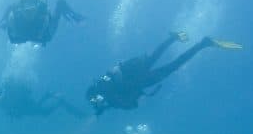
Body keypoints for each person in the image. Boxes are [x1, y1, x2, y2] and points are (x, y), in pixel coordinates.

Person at [86, 32, 241, 115]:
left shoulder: (109, 96)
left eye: (95, 101)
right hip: (135, 67)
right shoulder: (102, 85)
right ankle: (173, 38)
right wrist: (105, 107)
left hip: (141, 80)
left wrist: (107, 107)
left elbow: (129, 104)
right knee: (155, 56)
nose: (97, 102)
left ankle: (203, 44)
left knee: (174, 65)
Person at [0, 0, 84, 45]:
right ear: (21, 8)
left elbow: (49, 18)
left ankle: (76, 18)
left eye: (32, 8)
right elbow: (10, 11)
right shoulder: (15, 14)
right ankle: (76, 18)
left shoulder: (42, 13)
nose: (29, 12)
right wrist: (5, 21)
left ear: (37, 7)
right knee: (9, 20)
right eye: (26, 9)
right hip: (36, 36)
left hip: (45, 35)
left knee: (60, 3)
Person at [0, 78, 86, 118]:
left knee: (44, 112)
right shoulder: (3, 101)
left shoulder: (6, 99)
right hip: (25, 107)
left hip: (26, 105)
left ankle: (58, 101)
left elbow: (15, 107)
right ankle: (47, 96)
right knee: (40, 110)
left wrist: (14, 113)